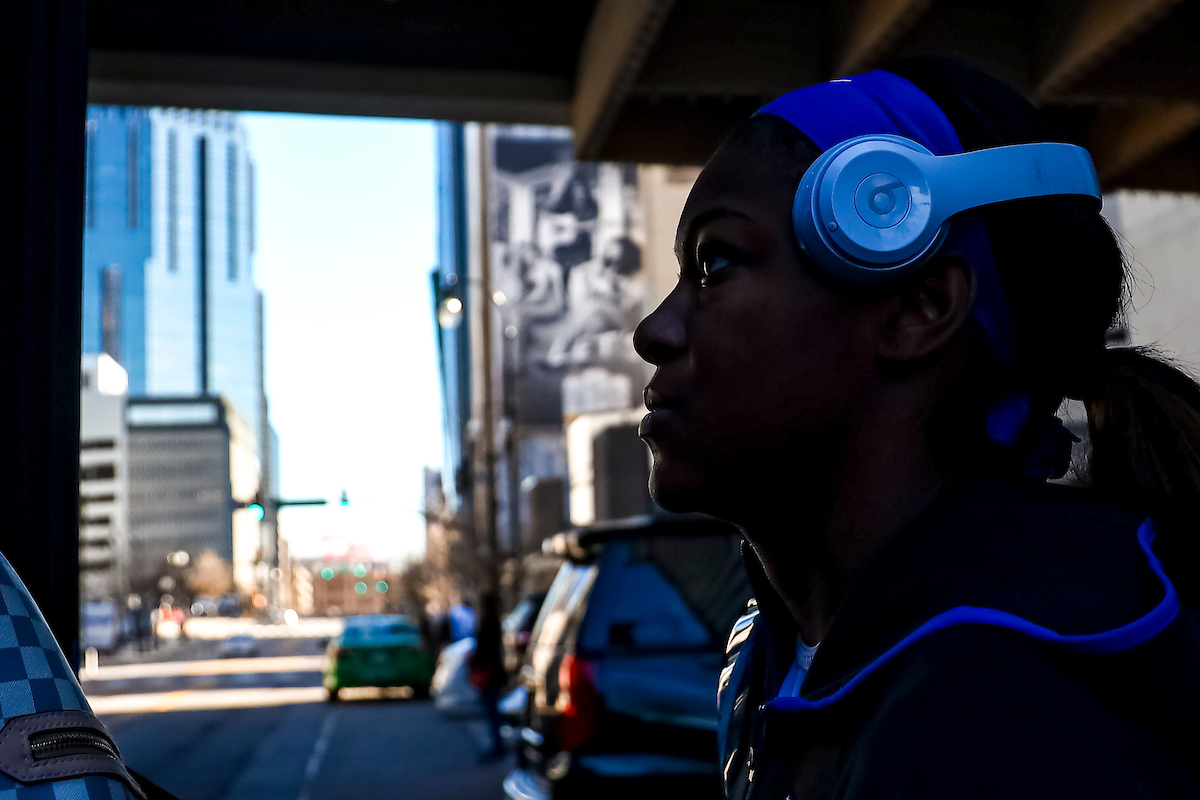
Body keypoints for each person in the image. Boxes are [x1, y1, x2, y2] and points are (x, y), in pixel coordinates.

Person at [633, 57, 1200, 800]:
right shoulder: (783, 653)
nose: (654, 330)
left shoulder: (1003, 716)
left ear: (919, 309)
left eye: (716, 262)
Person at [469, 592, 508, 759]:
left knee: (491, 710)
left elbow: (484, 649)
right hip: (494, 671)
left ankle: (498, 745)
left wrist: (475, 659)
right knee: (493, 709)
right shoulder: (495, 622)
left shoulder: (487, 623)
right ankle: (498, 744)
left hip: (489, 673)